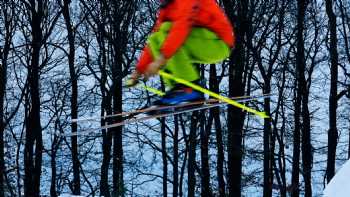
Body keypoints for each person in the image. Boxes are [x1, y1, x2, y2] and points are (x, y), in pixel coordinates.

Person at [129, 0, 235, 105]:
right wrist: (139, 70)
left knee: (167, 31)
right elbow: (154, 41)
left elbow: (182, 26)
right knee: (159, 36)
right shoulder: (167, 8)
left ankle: (189, 87)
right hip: (199, 42)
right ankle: (179, 87)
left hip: (218, 43)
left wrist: (161, 59)